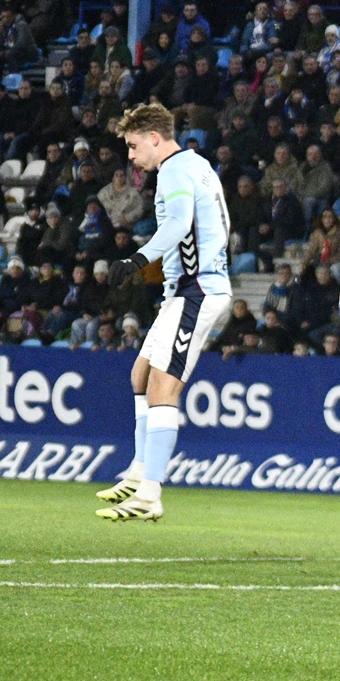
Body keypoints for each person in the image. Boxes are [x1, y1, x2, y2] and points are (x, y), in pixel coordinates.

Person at [94, 102, 234, 521]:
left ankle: (151, 493)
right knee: (140, 374)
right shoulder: (197, 164)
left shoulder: (174, 171)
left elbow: (177, 224)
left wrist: (137, 261)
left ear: (155, 138)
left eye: (135, 147)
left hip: (198, 289)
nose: (132, 158)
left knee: (163, 387)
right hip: (185, 291)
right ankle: (139, 472)